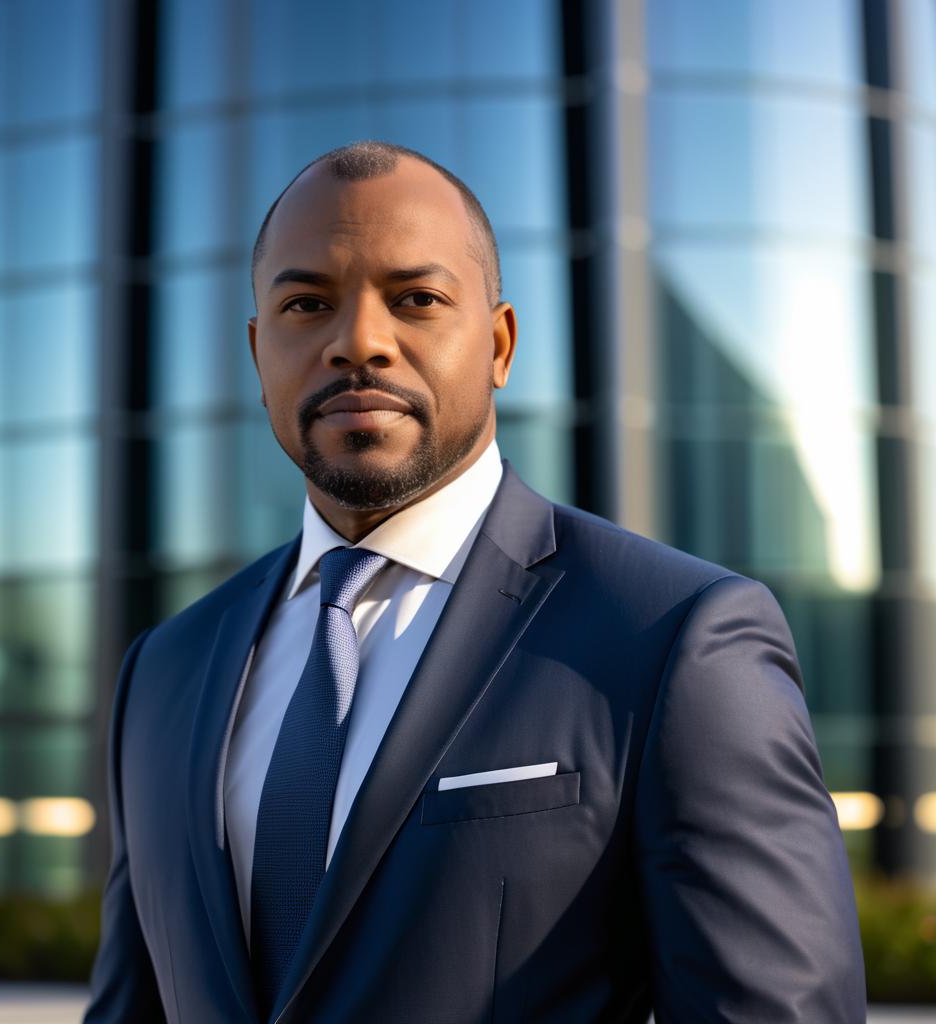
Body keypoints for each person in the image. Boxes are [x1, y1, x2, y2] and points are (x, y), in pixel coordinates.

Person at [83, 140, 866, 1023]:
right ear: (261, 357)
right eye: (307, 304)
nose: (359, 344)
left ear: (498, 344)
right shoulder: (165, 670)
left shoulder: (672, 638)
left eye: (416, 299)